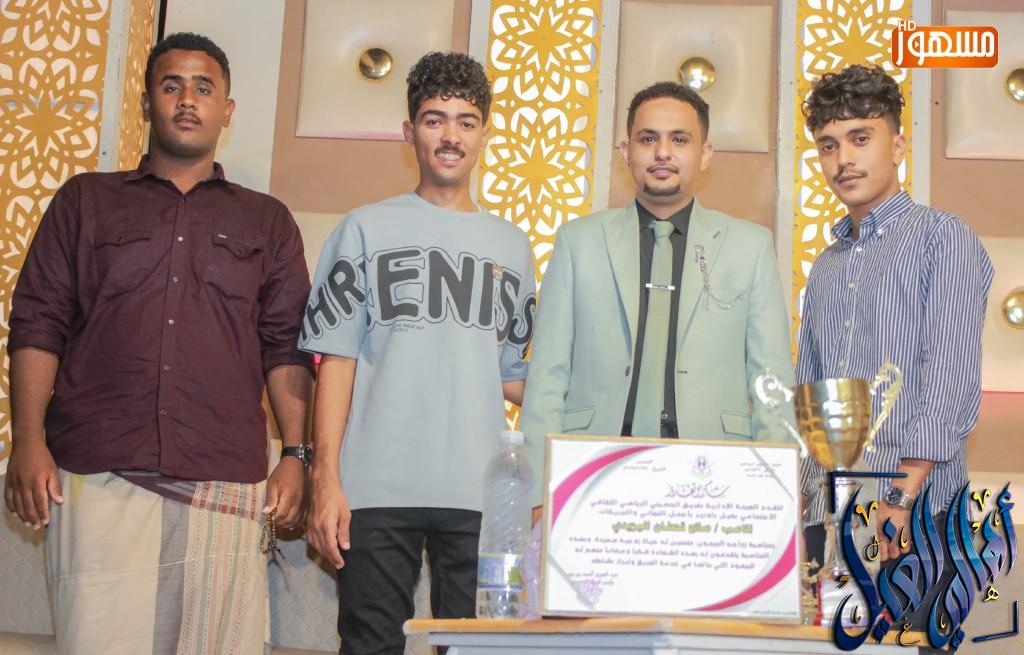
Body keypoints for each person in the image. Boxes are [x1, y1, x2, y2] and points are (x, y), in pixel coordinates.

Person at [3, 32, 314, 654]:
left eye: (204, 88)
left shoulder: (267, 221)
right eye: (171, 86)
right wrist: (28, 440)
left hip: (222, 469)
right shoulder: (85, 201)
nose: (187, 100)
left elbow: (286, 347)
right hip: (96, 468)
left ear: (227, 109)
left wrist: (297, 455)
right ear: (147, 103)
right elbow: (38, 323)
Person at [302, 51, 535, 655]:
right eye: (435, 119)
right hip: (374, 489)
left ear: (484, 132)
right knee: (368, 645)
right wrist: (325, 478)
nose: (451, 135)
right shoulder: (362, 229)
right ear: (410, 132)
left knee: (482, 649)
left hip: (482, 496)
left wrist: (593, 407)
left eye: (465, 120)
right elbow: (335, 362)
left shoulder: (513, 246)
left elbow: (512, 376)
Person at [521, 81, 796, 509]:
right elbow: (547, 375)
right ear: (626, 151)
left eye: (679, 140)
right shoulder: (578, 242)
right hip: (592, 470)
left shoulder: (750, 246)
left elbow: (771, 382)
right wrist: (538, 493)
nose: (662, 152)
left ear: (705, 153)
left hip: (715, 474)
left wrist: (776, 497)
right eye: (648, 139)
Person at [797, 64, 993, 624]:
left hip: (913, 515)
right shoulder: (827, 267)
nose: (843, 159)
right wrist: (805, 505)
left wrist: (900, 498)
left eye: (861, 138)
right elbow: (811, 394)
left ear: (899, 145)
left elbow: (949, 377)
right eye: (829, 145)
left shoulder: (942, 238)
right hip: (831, 520)